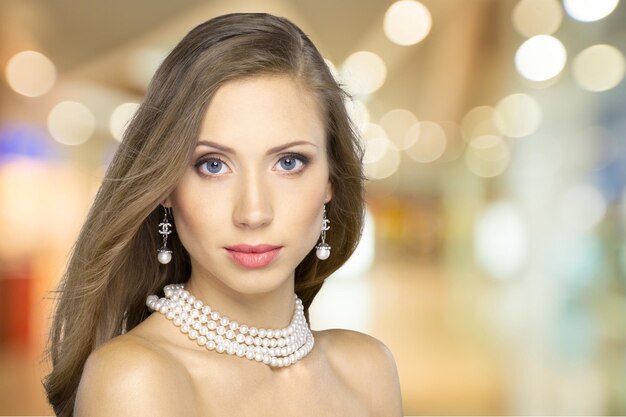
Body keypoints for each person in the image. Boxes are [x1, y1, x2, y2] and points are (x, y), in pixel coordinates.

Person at [42, 12, 403, 417]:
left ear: (331, 181)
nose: (253, 212)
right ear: (166, 186)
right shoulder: (136, 380)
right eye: (213, 165)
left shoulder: (368, 369)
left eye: (288, 162)